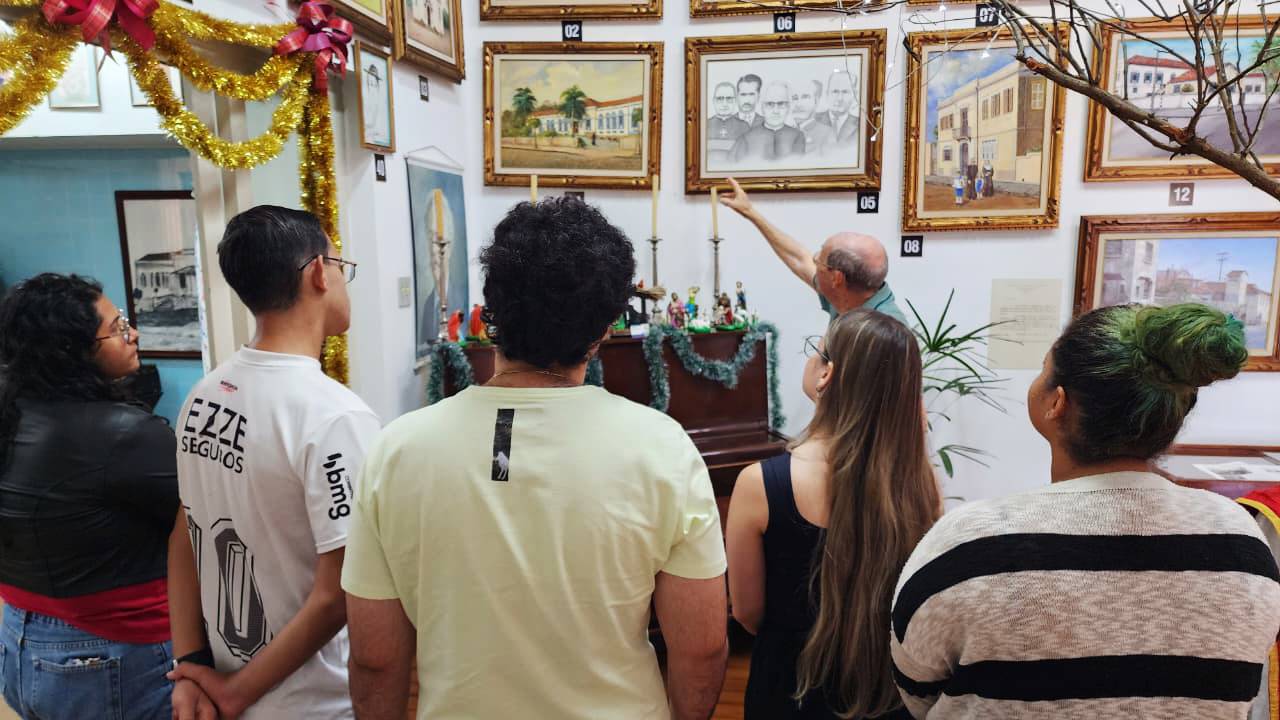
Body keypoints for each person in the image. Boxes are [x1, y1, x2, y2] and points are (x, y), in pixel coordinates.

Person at [342, 197, 728, 720]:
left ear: (491, 307)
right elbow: (700, 648)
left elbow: (374, 661)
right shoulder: (662, 448)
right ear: (605, 328)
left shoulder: (397, 449)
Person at [892, 303, 1280, 719]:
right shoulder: (1243, 543)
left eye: (1044, 368)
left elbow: (916, 689)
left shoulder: (969, 542)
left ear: (1057, 402)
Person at [166, 206, 381, 719]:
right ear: (316, 273)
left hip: (227, 685)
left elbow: (183, 534)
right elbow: (338, 594)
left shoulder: (204, 394)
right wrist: (235, 691)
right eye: (340, 264)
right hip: (308, 702)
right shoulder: (335, 417)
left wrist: (192, 665)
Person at [726, 310, 939, 719]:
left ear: (827, 375)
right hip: (885, 695)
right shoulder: (919, 482)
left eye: (816, 352)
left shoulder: (760, 484)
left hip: (789, 691)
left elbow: (748, 614)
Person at [0, 274, 188, 720]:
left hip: (20, 641)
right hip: (108, 655)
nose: (133, 334)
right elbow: (202, 523)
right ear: (74, 351)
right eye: (117, 328)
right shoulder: (124, 434)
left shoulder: (11, 418)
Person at [718, 177, 907, 326]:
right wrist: (750, 212)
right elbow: (799, 259)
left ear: (837, 278)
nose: (813, 260)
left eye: (819, 261)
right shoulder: (849, 293)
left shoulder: (886, 330)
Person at [732, 82, 806, 162]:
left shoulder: (797, 136)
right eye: (770, 104)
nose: (775, 111)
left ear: (788, 107)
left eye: (781, 104)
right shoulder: (746, 139)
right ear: (762, 107)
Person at [708, 82, 751, 163]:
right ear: (714, 101)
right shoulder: (705, 125)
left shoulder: (744, 127)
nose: (725, 104)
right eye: (720, 99)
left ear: (735, 101)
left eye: (729, 99)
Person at [819, 72, 859, 155]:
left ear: (855, 95)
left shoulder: (862, 125)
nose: (840, 98)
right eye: (835, 91)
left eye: (845, 92)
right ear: (827, 94)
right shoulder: (813, 120)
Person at [791, 80, 834, 154]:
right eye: (795, 98)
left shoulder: (828, 134)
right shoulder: (786, 133)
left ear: (816, 101)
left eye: (805, 97)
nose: (798, 104)